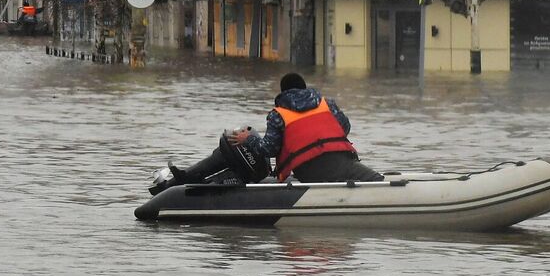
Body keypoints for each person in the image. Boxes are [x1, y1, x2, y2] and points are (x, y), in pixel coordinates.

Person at [151, 72, 383, 194]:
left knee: (240, 140)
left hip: (311, 171)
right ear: (305, 88)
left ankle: (183, 179)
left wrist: (247, 139)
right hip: (340, 161)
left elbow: (268, 149)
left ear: (283, 92)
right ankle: (184, 180)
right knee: (378, 182)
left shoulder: (278, 114)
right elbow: (345, 128)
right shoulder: (326, 104)